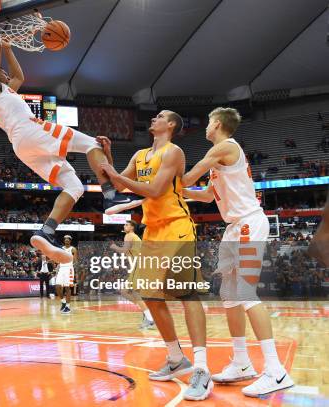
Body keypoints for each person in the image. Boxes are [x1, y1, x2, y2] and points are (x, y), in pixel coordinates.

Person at [0, 26, 127, 264]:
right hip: (30, 131)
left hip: (24, 147)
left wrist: (9, 48)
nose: (7, 76)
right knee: (92, 143)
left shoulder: (7, 93)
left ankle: (46, 232)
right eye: (1, 73)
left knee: (75, 186)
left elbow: (19, 77)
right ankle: (111, 195)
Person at [182, 107, 294, 397]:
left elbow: (190, 176)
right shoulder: (220, 158)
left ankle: (276, 371)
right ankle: (242, 363)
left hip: (248, 224)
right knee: (229, 296)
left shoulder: (224, 147)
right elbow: (206, 195)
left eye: (208, 121)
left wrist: (165, 183)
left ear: (217, 123)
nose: (205, 126)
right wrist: (178, 193)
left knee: (245, 293)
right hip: (234, 228)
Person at [100, 110, 211, 401]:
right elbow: (118, 185)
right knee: (150, 295)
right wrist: (109, 160)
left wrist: (114, 175)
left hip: (177, 226)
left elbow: (155, 189)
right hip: (153, 231)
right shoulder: (139, 155)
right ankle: (176, 358)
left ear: (171, 124)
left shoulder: (174, 152)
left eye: (160, 116)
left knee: (187, 295)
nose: (154, 118)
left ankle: (202, 369)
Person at [110, 220, 155, 330]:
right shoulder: (133, 236)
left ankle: (149, 317)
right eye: (124, 224)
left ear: (132, 227)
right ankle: (146, 311)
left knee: (133, 292)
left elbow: (124, 250)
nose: (124, 226)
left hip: (139, 265)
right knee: (125, 291)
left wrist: (114, 247)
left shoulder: (129, 235)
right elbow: (128, 253)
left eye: (127, 225)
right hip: (140, 265)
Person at [55, 235, 77, 314]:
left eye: (68, 239)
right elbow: (58, 258)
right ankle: (63, 302)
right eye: (65, 239)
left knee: (67, 288)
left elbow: (75, 260)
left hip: (69, 268)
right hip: (61, 268)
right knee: (57, 286)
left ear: (70, 241)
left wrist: (70, 265)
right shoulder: (61, 249)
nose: (67, 240)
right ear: (64, 241)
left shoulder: (73, 249)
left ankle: (68, 307)